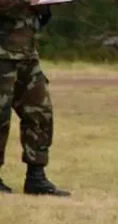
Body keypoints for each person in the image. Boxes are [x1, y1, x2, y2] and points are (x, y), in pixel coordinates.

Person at [0, 0, 69, 196]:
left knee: (40, 112)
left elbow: (37, 19)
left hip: (27, 56)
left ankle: (36, 177)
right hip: (2, 57)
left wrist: (44, 7)